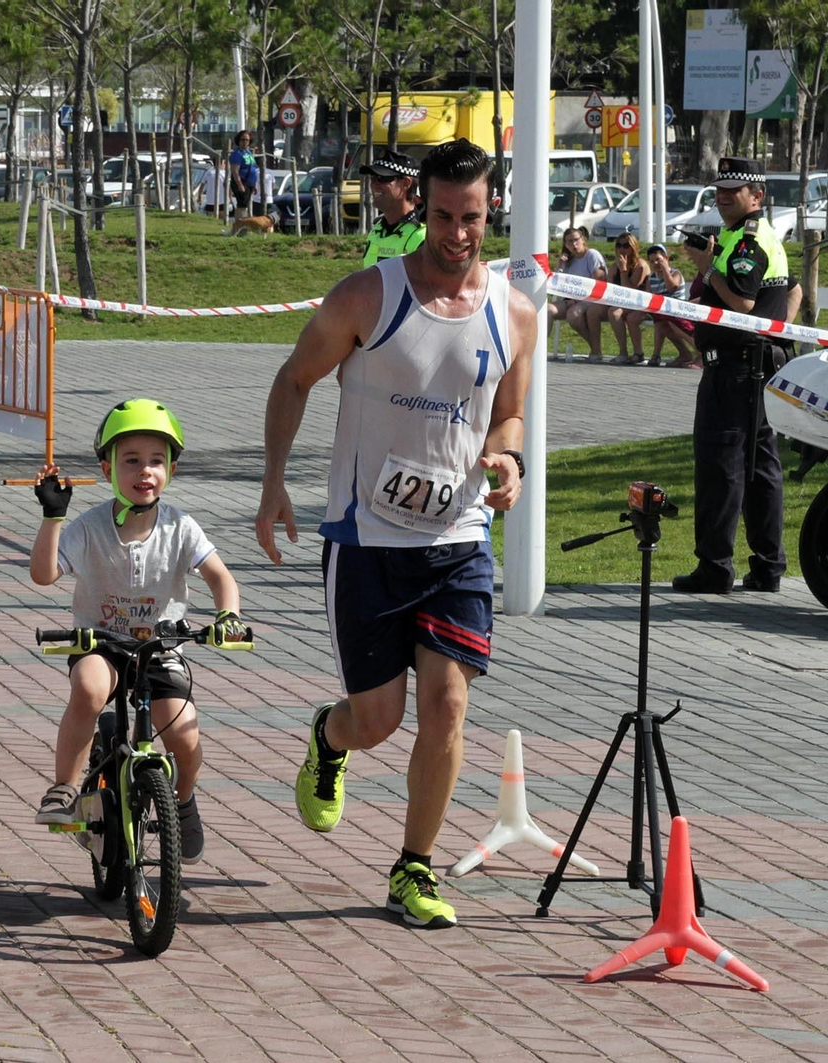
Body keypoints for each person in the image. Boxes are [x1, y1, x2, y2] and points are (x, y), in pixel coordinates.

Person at [254, 139, 533, 929]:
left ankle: (414, 867)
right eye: (442, 216)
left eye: (470, 218)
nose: (456, 234)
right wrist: (273, 483)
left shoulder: (515, 313)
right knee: (377, 720)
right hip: (366, 540)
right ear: (422, 207)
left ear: (490, 210)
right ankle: (330, 735)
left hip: (458, 541)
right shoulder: (367, 296)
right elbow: (294, 379)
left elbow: (509, 413)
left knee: (446, 704)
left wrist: (507, 459)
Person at [28, 399, 246, 865]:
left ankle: (182, 801)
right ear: (107, 468)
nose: (144, 471)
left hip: (161, 647)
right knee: (89, 690)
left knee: (183, 736)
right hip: (101, 643)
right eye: (130, 460)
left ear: (171, 470)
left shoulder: (180, 526)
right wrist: (52, 518)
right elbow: (44, 575)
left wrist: (228, 616)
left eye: (156, 461)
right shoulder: (89, 527)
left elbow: (221, 579)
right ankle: (64, 788)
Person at [672, 156, 790, 595]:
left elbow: (742, 303)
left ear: (756, 195)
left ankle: (715, 568)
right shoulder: (752, 235)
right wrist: (776, 335)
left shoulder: (748, 240)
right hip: (755, 366)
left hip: (736, 368)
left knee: (721, 466)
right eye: (719, 190)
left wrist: (707, 268)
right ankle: (768, 567)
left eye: (732, 191)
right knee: (760, 469)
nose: (722, 198)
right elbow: (793, 289)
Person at [545, 227, 609, 363]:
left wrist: (576, 300)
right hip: (570, 300)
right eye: (569, 242)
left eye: (576, 240)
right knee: (547, 309)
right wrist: (560, 265)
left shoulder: (592, 255)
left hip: (592, 299)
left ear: (583, 239)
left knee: (573, 315)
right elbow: (558, 285)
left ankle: (596, 348)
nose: (573, 244)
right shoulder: (569, 260)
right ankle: (540, 350)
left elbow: (599, 282)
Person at [638, 244, 700, 368]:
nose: (656, 263)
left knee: (668, 320)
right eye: (652, 261)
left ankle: (700, 351)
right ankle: (682, 353)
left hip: (679, 312)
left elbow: (672, 288)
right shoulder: (651, 278)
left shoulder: (676, 273)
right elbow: (649, 297)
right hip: (663, 314)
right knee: (660, 322)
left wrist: (666, 270)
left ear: (666, 258)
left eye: (658, 260)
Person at [360, 150, 426, 268]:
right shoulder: (377, 230)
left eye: (382, 178)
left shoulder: (424, 235)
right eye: (373, 178)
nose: (374, 184)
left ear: (406, 183)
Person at [606, 233, 650, 365]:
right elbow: (608, 288)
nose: (621, 249)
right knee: (592, 311)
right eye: (619, 245)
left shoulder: (641, 266)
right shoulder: (615, 266)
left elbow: (630, 293)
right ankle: (595, 351)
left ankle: (623, 353)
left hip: (638, 303)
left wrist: (623, 270)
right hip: (619, 302)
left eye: (626, 246)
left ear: (634, 247)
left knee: (614, 312)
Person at [228, 130, 260, 219]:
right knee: (241, 205)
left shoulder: (248, 152)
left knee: (244, 205)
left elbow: (253, 168)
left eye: (247, 140)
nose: (245, 142)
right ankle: (239, 224)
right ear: (238, 140)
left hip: (250, 183)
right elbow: (235, 171)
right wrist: (240, 184)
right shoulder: (237, 154)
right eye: (242, 140)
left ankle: (243, 224)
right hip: (241, 182)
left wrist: (254, 185)